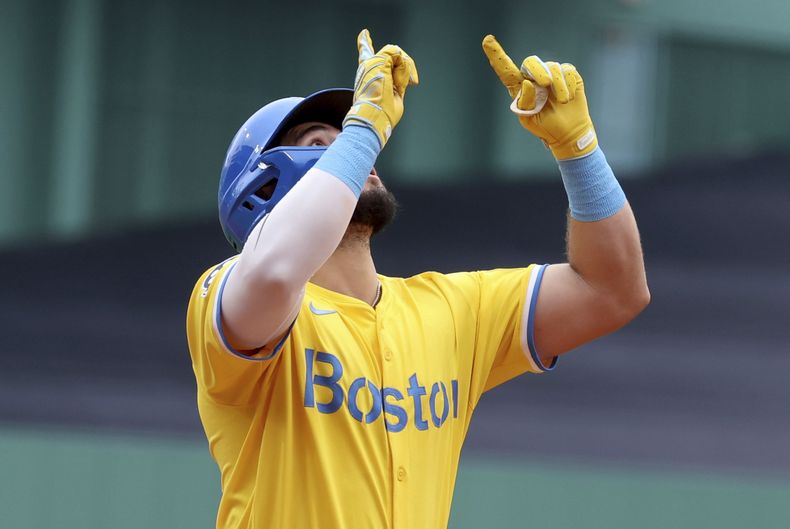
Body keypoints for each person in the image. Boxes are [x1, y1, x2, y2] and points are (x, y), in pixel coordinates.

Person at [186, 28, 649, 529]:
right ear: (265, 189)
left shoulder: (449, 310)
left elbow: (612, 289)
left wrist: (578, 149)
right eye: (321, 143)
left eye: (351, 137)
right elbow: (276, 271)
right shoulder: (229, 290)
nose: (355, 150)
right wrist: (364, 129)